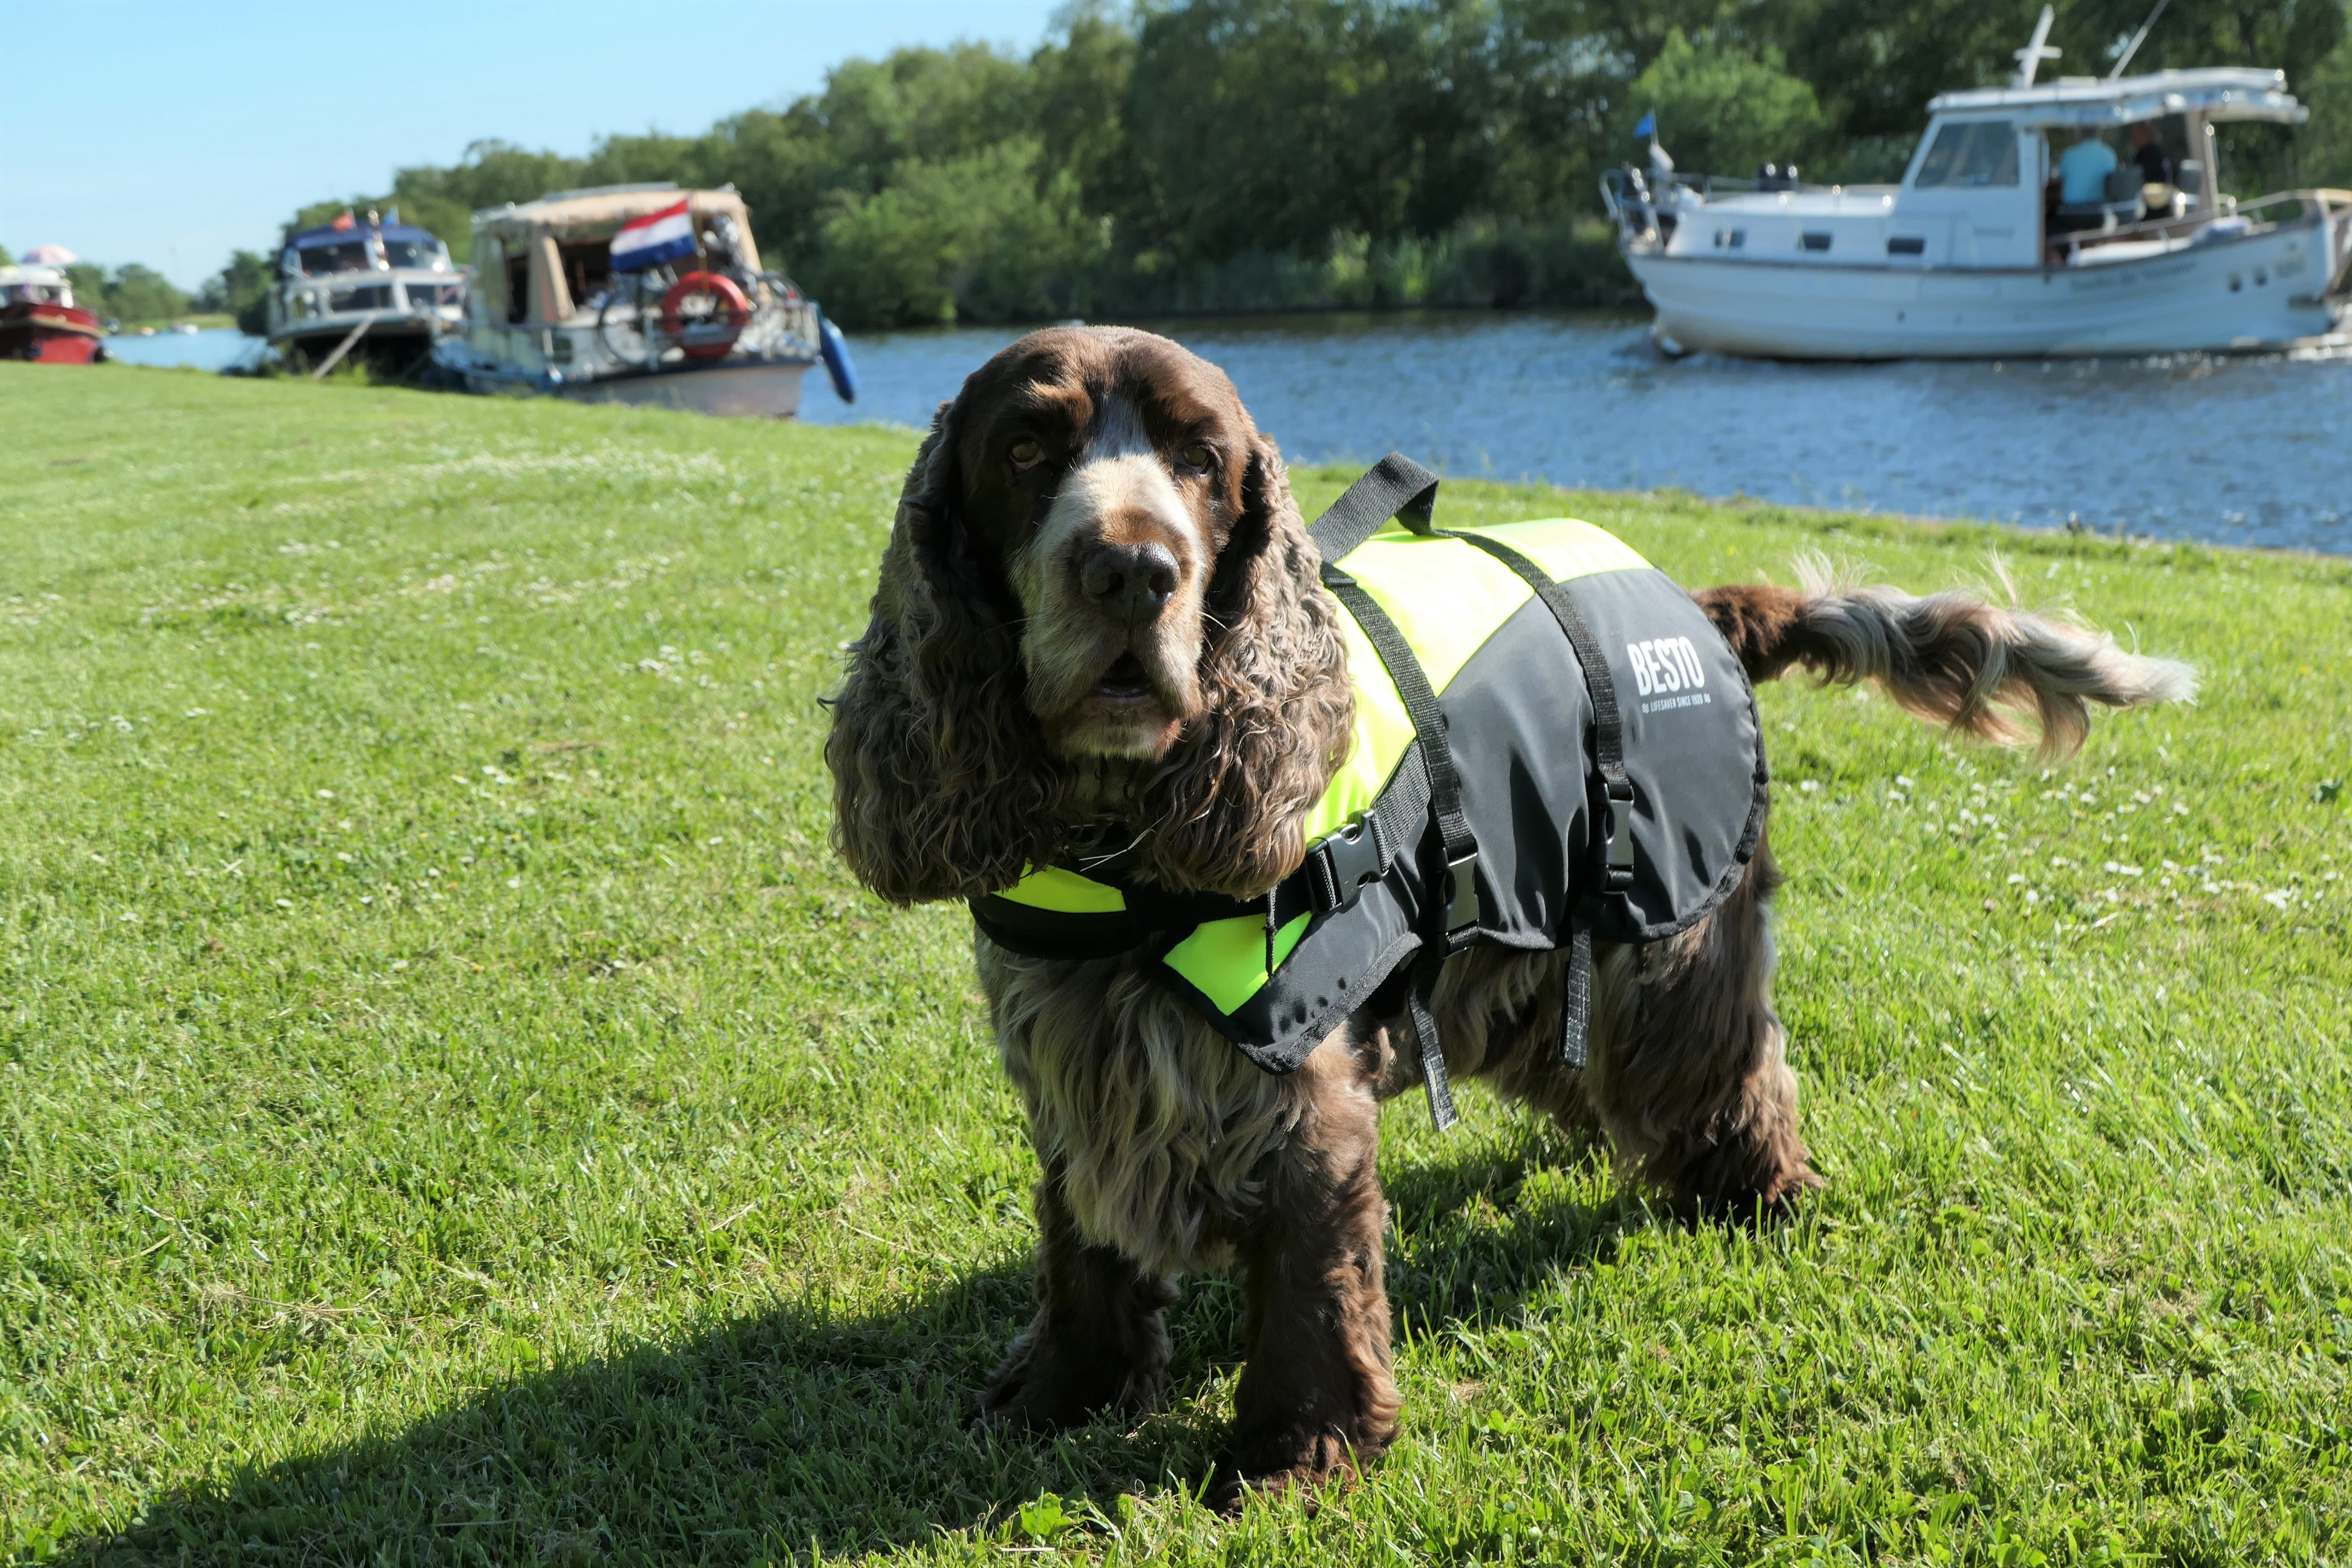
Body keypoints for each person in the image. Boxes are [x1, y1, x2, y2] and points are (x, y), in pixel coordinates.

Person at [2059, 128, 2120, 206]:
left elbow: (2060, 178)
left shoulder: (2068, 154)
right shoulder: (2109, 155)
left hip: (2070, 210)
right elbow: (2113, 184)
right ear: (2100, 132)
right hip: (2098, 210)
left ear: (2079, 132)